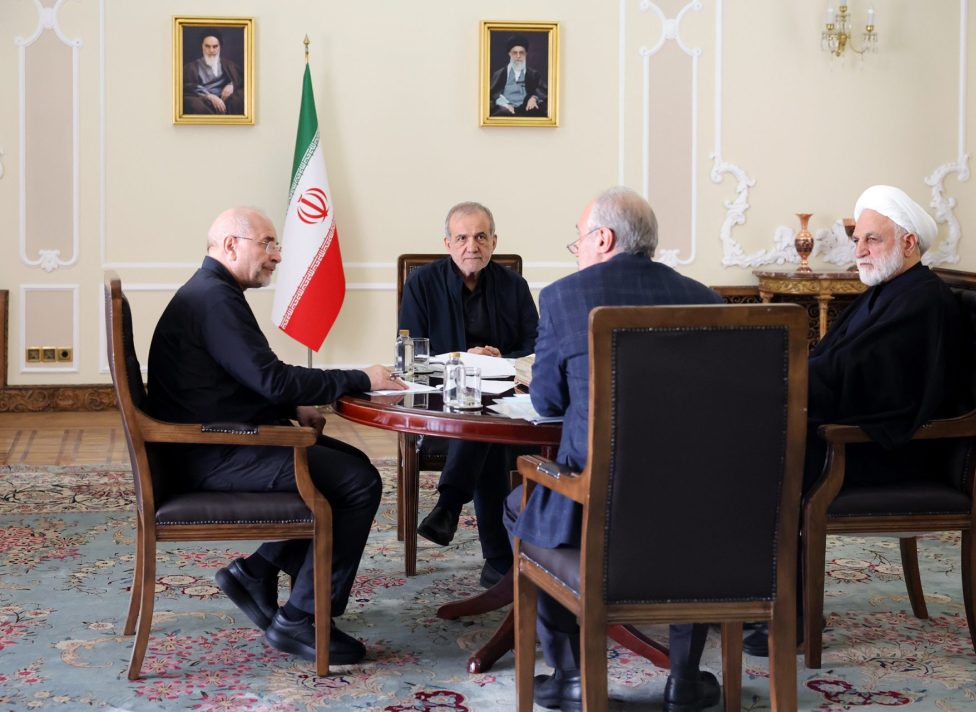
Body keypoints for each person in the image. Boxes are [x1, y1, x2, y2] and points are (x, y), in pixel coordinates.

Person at [147, 207, 401, 665]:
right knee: (357, 483)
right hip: (211, 452)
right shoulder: (214, 299)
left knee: (353, 467)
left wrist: (291, 407)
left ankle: (255, 573)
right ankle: (301, 619)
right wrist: (362, 377)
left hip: (213, 440)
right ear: (230, 245)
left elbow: (240, 379)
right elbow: (273, 379)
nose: (277, 256)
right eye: (267, 243)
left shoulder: (212, 292)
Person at [505, 187, 725, 711]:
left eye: (578, 240)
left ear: (603, 238)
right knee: (685, 512)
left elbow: (547, 400)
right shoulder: (706, 299)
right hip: (693, 510)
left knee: (518, 504)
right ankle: (684, 679)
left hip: (593, 505)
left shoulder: (564, 297)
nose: (578, 251)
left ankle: (571, 674)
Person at [742, 184, 962, 657]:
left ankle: (793, 616)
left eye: (872, 240)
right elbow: (834, 360)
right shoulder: (885, 291)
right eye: (857, 239)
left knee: (776, 453)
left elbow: (869, 383)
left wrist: (786, 381)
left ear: (908, 243)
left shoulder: (922, 300)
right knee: (761, 438)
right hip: (866, 437)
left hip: (893, 452)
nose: (859, 250)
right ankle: (758, 594)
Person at [399, 201, 539, 587]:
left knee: (484, 425)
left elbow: (535, 347)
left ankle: (449, 505)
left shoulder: (514, 286)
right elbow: (410, 357)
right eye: (461, 238)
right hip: (444, 405)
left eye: (480, 237)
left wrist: (498, 357)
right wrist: (464, 360)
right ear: (447, 243)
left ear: (494, 241)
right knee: (482, 427)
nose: (471, 246)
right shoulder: (422, 284)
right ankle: (497, 558)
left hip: (504, 399)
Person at [183, 31, 244, 115]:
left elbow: (241, 80)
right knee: (193, 104)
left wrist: (232, 85)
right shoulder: (191, 67)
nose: (211, 50)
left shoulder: (229, 65)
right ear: (202, 46)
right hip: (203, 100)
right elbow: (188, 86)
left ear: (220, 47)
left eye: (215, 46)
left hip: (225, 100)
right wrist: (209, 96)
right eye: (207, 46)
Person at [488, 35, 547, 117]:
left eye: (521, 53)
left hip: (527, 108)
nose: (518, 56)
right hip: (505, 109)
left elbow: (542, 91)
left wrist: (534, 98)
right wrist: (505, 104)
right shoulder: (499, 74)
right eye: (515, 53)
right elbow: (492, 94)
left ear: (526, 54)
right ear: (509, 54)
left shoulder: (533, 74)